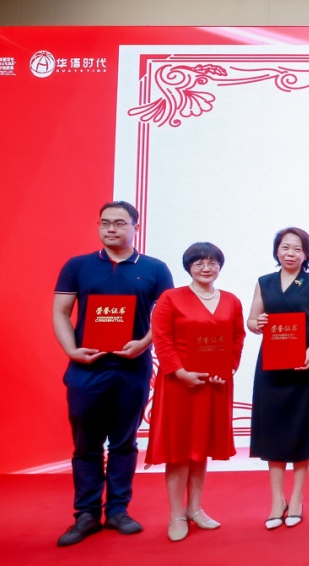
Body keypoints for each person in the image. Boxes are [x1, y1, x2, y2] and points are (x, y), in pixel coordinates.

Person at [52, 201, 174, 547]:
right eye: (105, 223)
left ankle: (118, 510)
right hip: (86, 369)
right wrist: (71, 350)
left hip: (131, 369)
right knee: (86, 445)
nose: (110, 229)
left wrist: (143, 344)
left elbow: (165, 317)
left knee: (124, 442)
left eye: (119, 223)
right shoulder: (78, 266)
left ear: (135, 227)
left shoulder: (154, 269)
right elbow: (61, 312)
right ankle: (86, 514)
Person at [146, 242, 246, 542]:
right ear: (188, 266)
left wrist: (228, 368)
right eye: (199, 262)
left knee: (201, 448)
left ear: (220, 267)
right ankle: (176, 514)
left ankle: (195, 508)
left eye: (212, 262)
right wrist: (179, 372)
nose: (206, 268)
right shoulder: (171, 298)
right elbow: (162, 338)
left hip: (214, 385)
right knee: (179, 451)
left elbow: (237, 338)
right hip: (180, 385)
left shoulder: (231, 300)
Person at [247, 227, 309, 530]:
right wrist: (257, 323)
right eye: (285, 247)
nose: (291, 253)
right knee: (273, 429)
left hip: (304, 365)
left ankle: (296, 498)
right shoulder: (264, 282)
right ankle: (276, 500)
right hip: (271, 366)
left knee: (302, 429)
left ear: (306, 254)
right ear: (277, 251)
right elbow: (251, 321)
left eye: (297, 248)